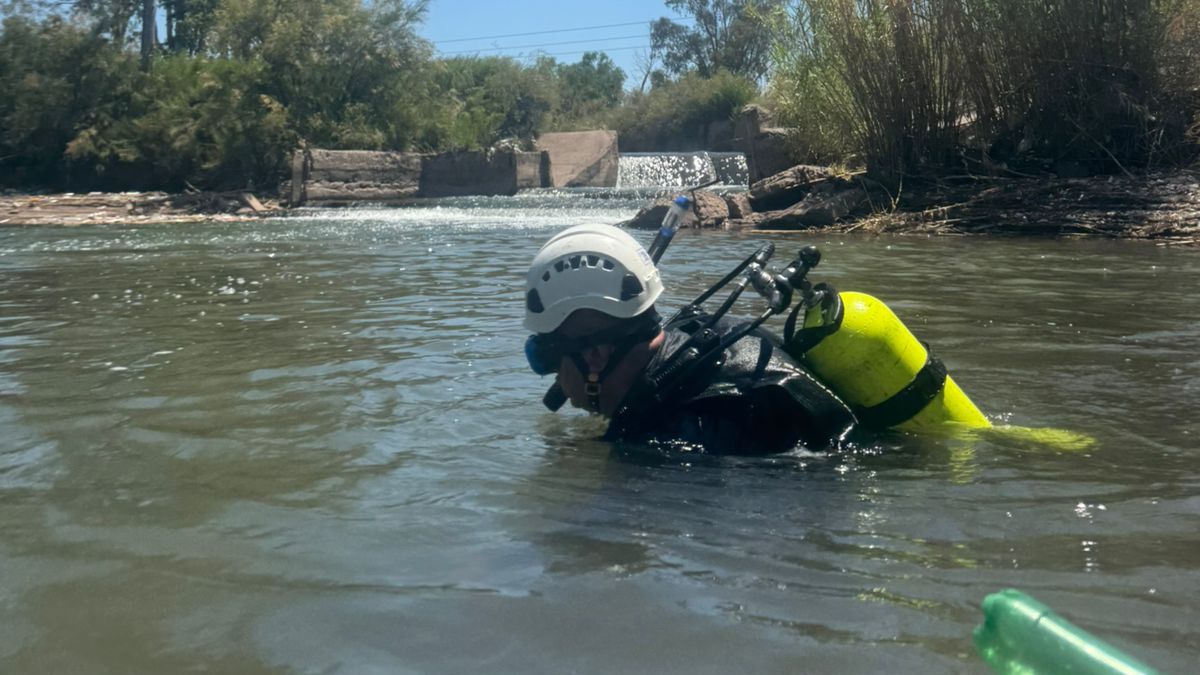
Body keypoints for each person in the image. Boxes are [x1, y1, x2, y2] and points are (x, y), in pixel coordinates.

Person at [523, 223, 856, 454]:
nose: (557, 381)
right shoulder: (693, 335)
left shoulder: (672, 435)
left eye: (550, 358)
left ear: (594, 356)